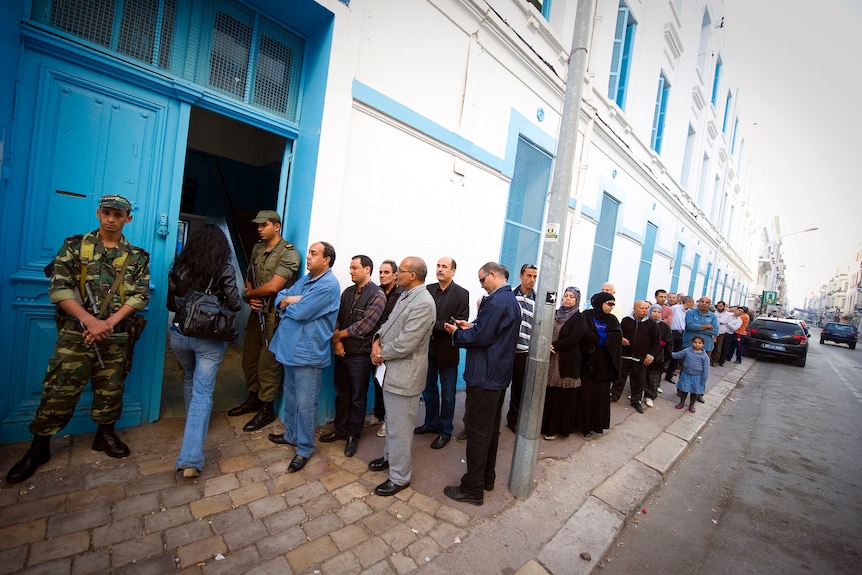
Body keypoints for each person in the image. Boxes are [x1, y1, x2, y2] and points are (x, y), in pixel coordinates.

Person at [6, 194, 150, 484]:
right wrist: (90, 320)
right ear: (98, 213)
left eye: (118, 215)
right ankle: (39, 447)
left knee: (111, 387)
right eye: (107, 213)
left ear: (128, 219)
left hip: (115, 334)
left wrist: (108, 322)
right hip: (77, 334)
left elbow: (139, 296)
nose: (111, 219)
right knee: (58, 390)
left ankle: (104, 435)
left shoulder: (137, 256)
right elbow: (59, 289)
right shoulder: (74, 247)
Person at [442, 262, 521, 505]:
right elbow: (488, 331)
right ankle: (486, 478)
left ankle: (472, 489)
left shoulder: (497, 301)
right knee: (489, 431)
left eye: (482, 280)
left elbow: (481, 337)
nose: (481, 285)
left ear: (493, 275)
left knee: (477, 432)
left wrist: (456, 333)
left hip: (485, 377)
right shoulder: (509, 300)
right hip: (495, 376)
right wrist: (472, 326)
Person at [167, 224, 242, 477]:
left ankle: (193, 426)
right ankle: (190, 459)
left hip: (180, 334)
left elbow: (170, 302)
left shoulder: (180, 266)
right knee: (203, 392)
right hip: (209, 339)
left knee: (189, 379)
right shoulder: (224, 269)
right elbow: (235, 304)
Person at [267, 242, 340, 473]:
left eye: (313, 253)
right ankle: (291, 435)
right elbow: (280, 297)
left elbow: (300, 312)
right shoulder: (306, 279)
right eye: (308, 252)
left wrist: (291, 302)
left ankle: (305, 448)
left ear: (327, 259)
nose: (307, 257)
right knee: (291, 397)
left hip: (307, 354)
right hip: (290, 350)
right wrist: (290, 299)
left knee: (306, 404)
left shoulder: (328, 285)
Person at [367, 257, 436, 496]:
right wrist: (377, 340)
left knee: (400, 429)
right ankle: (390, 458)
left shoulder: (424, 302)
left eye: (401, 271)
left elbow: (407, 342)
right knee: (392, 424)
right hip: (391, 372)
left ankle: (400, 477)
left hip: (405, 375)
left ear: (413, 275)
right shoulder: (406, 295)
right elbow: (388, 323)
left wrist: (381, 354)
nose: (396, 275)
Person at [228, 210, 300, 432]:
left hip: (274, 315)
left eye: (264, 225)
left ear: (276, 227)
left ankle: (266, 407)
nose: (259, 229)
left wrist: (250, 295)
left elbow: (274, 287)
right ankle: (253, 398)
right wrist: (251, 296)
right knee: (249, 357)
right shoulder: (258, 248)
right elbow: (250, 276)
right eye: (258, 225)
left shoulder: (289, 254)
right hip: (256, 312)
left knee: (267, 362)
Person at [321, 255, 385, 457]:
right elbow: (337, 316)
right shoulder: (348, 292)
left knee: (358, 397)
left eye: (354, 268)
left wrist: (338, 335)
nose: (350, 271)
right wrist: (337, 342)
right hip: (342, 352)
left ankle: (353, 435)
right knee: (342, 394)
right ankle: (340, 430)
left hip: (360, 355)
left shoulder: (378, 294)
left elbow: (365, 326)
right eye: (350, 268)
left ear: (367, 269)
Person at [416, 257, 469, 450]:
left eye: (444, 267)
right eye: (438, 266)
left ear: (453, 271)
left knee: (447, 394)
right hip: (426, 349)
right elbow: (422, 318)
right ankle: (431, 423)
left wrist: (433, 326)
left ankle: (445, 430)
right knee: (428, 388)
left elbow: (457, 323)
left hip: (447, 351)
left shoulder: (462, 294)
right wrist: (440, 326)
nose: (439, 269)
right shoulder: (428, 290)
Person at [556, 292, 622, 438]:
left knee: (599, 396)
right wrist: (603, 338)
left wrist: (601, 338)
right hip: (587, 363)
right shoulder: (586, 315)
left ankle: (593, 425)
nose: (611, 307)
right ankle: (581, 425)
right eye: (609, 304)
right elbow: (584, 334)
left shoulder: (612, 320)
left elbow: (616, 337)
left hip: (604, 366)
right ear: (600, 303)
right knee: (584, 395)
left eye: (613, 305)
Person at [540, 286, 581, 440]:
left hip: (565, 362)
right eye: (566, 295)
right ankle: (545, 426)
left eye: (572, 296)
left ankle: (556, 428)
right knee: (549, 394)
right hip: (550, 358)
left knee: (561, 396)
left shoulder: (578, 318)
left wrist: (554, 346)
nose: (568, 298)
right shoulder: (556, 313)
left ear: (577, 300)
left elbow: (574, 338)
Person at [371, 259, 404, 437]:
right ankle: (378, 415)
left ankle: (387, 421)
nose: (383, 276)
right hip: (374, 343)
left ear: (395, 274)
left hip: (390, 346)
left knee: (387, 384)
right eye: (381, 272)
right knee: (376, 381)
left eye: (386, 272)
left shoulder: (401, 295)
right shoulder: (376, 291)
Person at [505, 264, 538, 433]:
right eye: (528, 275)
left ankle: (513, 419)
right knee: (499, 386)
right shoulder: (510, 295)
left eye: (534, 277)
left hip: (523, 352)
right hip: (506, 350)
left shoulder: (537, 301)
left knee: (519, 389)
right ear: (521, 276)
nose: (531, 280)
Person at [613, 301, 659, 412]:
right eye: (641, 308)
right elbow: (618, 333)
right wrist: (621, 339)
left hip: (641, 358)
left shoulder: (652, 324)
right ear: (634, 308)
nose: (644, 310)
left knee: (639, 380)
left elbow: (656, 342)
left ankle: (636, 400)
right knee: (619, 378)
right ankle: (614, 395)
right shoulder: (626, 321)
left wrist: (651, 355)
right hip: (625, 356)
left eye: (646, 308)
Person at [672, 335, 710, 412]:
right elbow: (677, 355)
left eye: (699, 343)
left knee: (694, 392)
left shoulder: (704, 356)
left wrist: (703, 380)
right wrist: (668, 352)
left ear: (703, 344)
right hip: (686, 374)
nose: (697, 344)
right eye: (695, 342)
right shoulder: (687, 351)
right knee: (684, 390)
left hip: (697, 377)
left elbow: (706, 369)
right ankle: (681, 403)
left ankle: (691, 405)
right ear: (692, 343)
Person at [645, 304, 672, 404]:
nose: (656, 314)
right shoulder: (645, 323)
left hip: (658, 355)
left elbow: (668, 341)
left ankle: (650, 396)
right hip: (644, 352)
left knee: (653, 376)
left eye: (658, 312)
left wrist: (658, 342)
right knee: (641, 375)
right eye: (654, 311)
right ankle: (638, 394)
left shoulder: (664, 326)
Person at [665, 295, 694, 383]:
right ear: (687, 302)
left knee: (677, 355)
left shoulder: (690, 312)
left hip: (683, 334)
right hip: (673, 332)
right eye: (692, 302)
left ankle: (669, 375)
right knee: (668, 352)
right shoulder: (675, 308)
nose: (693, 304)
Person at [711, 301, 733, 366]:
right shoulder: (714, 313)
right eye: (718, 306)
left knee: (718, 347)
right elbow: (712, 320)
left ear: (724, 306)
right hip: (712, 331)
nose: (719, 308)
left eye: (721, 306)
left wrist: (716, 320)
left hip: (721, 332)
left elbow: (722, 321)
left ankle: (715, 361)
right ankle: (710, 359)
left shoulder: (728, 315)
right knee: (711, 346)